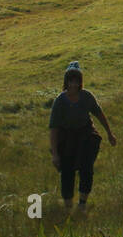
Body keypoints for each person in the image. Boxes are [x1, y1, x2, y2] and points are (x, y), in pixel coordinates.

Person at [48, 61, 116, 211]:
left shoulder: (86, 97)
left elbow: (98, 114)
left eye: (76, 81)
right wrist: (55, 153)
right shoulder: (60, 102)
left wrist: (109, 133)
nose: (73, 84)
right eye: (71, 81)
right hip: (67, 139)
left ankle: (82, 204)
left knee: (87, 168)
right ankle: (67, 206)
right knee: (67, 171)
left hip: (85, 136)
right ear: (66, 82)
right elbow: (53, 129)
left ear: (80, 82)